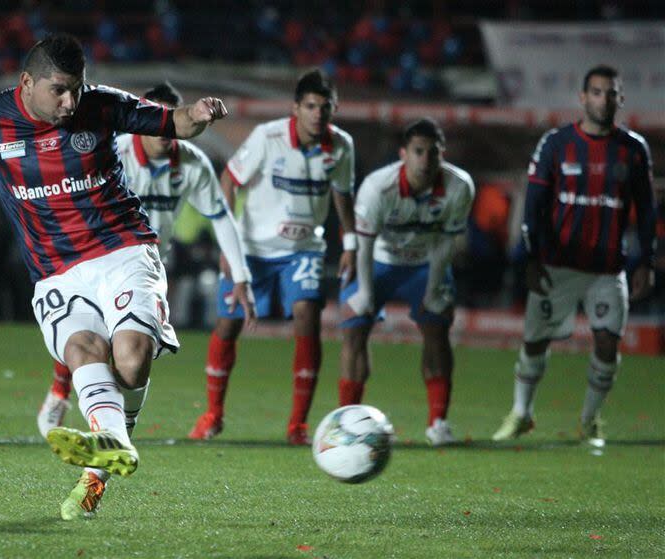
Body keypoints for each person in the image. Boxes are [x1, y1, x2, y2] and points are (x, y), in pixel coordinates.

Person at [0, 34, 228, 520]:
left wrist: (197, 115)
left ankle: (106, 455)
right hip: (56, 272)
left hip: (122, 249)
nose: (70, 101)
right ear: (26, 83)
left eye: (76, 88)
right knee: (82, 350)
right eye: (58, 90)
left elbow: (173, 122)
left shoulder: (100, 105)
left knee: (133, 360)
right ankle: (109, 453)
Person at [36, 82, 256, 438]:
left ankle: (116, 427)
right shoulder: (114, 152)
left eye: (170, 119)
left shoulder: (191, 163)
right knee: (89, 334)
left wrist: (241, 275)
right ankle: (61, 393)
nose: (164, 128)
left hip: (147, 267)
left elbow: (220, 216)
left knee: (129, 350)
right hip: (99, 256)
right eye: (157, 118)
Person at [188, 69, 356, 445]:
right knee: (228, 325)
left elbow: (342, 194)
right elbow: (230, 180)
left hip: (304, 250)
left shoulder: (342, 145)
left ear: (333, 110)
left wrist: (350, 244)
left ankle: (298, 425)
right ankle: (213, 414)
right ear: (297, 108)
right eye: (311, 106)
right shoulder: (269, 137)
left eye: (325, 108)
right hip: (254, 250)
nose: (317, 114)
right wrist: (227, 245)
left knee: (307, 315)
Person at [492, 65, 656, 447]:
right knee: (534, 342)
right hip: (557, 266)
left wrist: (646, 260)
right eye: (597, 92)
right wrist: (531, 258)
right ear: (583, 98)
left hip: (606, 268)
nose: (604, 99)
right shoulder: (555, 143)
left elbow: (647, 210)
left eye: (611, 93)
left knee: (607, 344)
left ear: (621, 98)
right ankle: (521, 413)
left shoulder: (633, 149)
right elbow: (534, 204)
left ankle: (589, 420)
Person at [338, 118, 474, 446]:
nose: (425, 160)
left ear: (442, 154)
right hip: (378, 261)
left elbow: (446, 242)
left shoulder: (460, 186)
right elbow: (365, 243)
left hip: (426, 264)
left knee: (437, 328)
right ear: (404, 154)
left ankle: (438, 422)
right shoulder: (377, 186)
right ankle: (347, 422)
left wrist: (434, 288)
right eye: (418, 152)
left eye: (433, 153)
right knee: (354, 326)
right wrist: (367, 293)